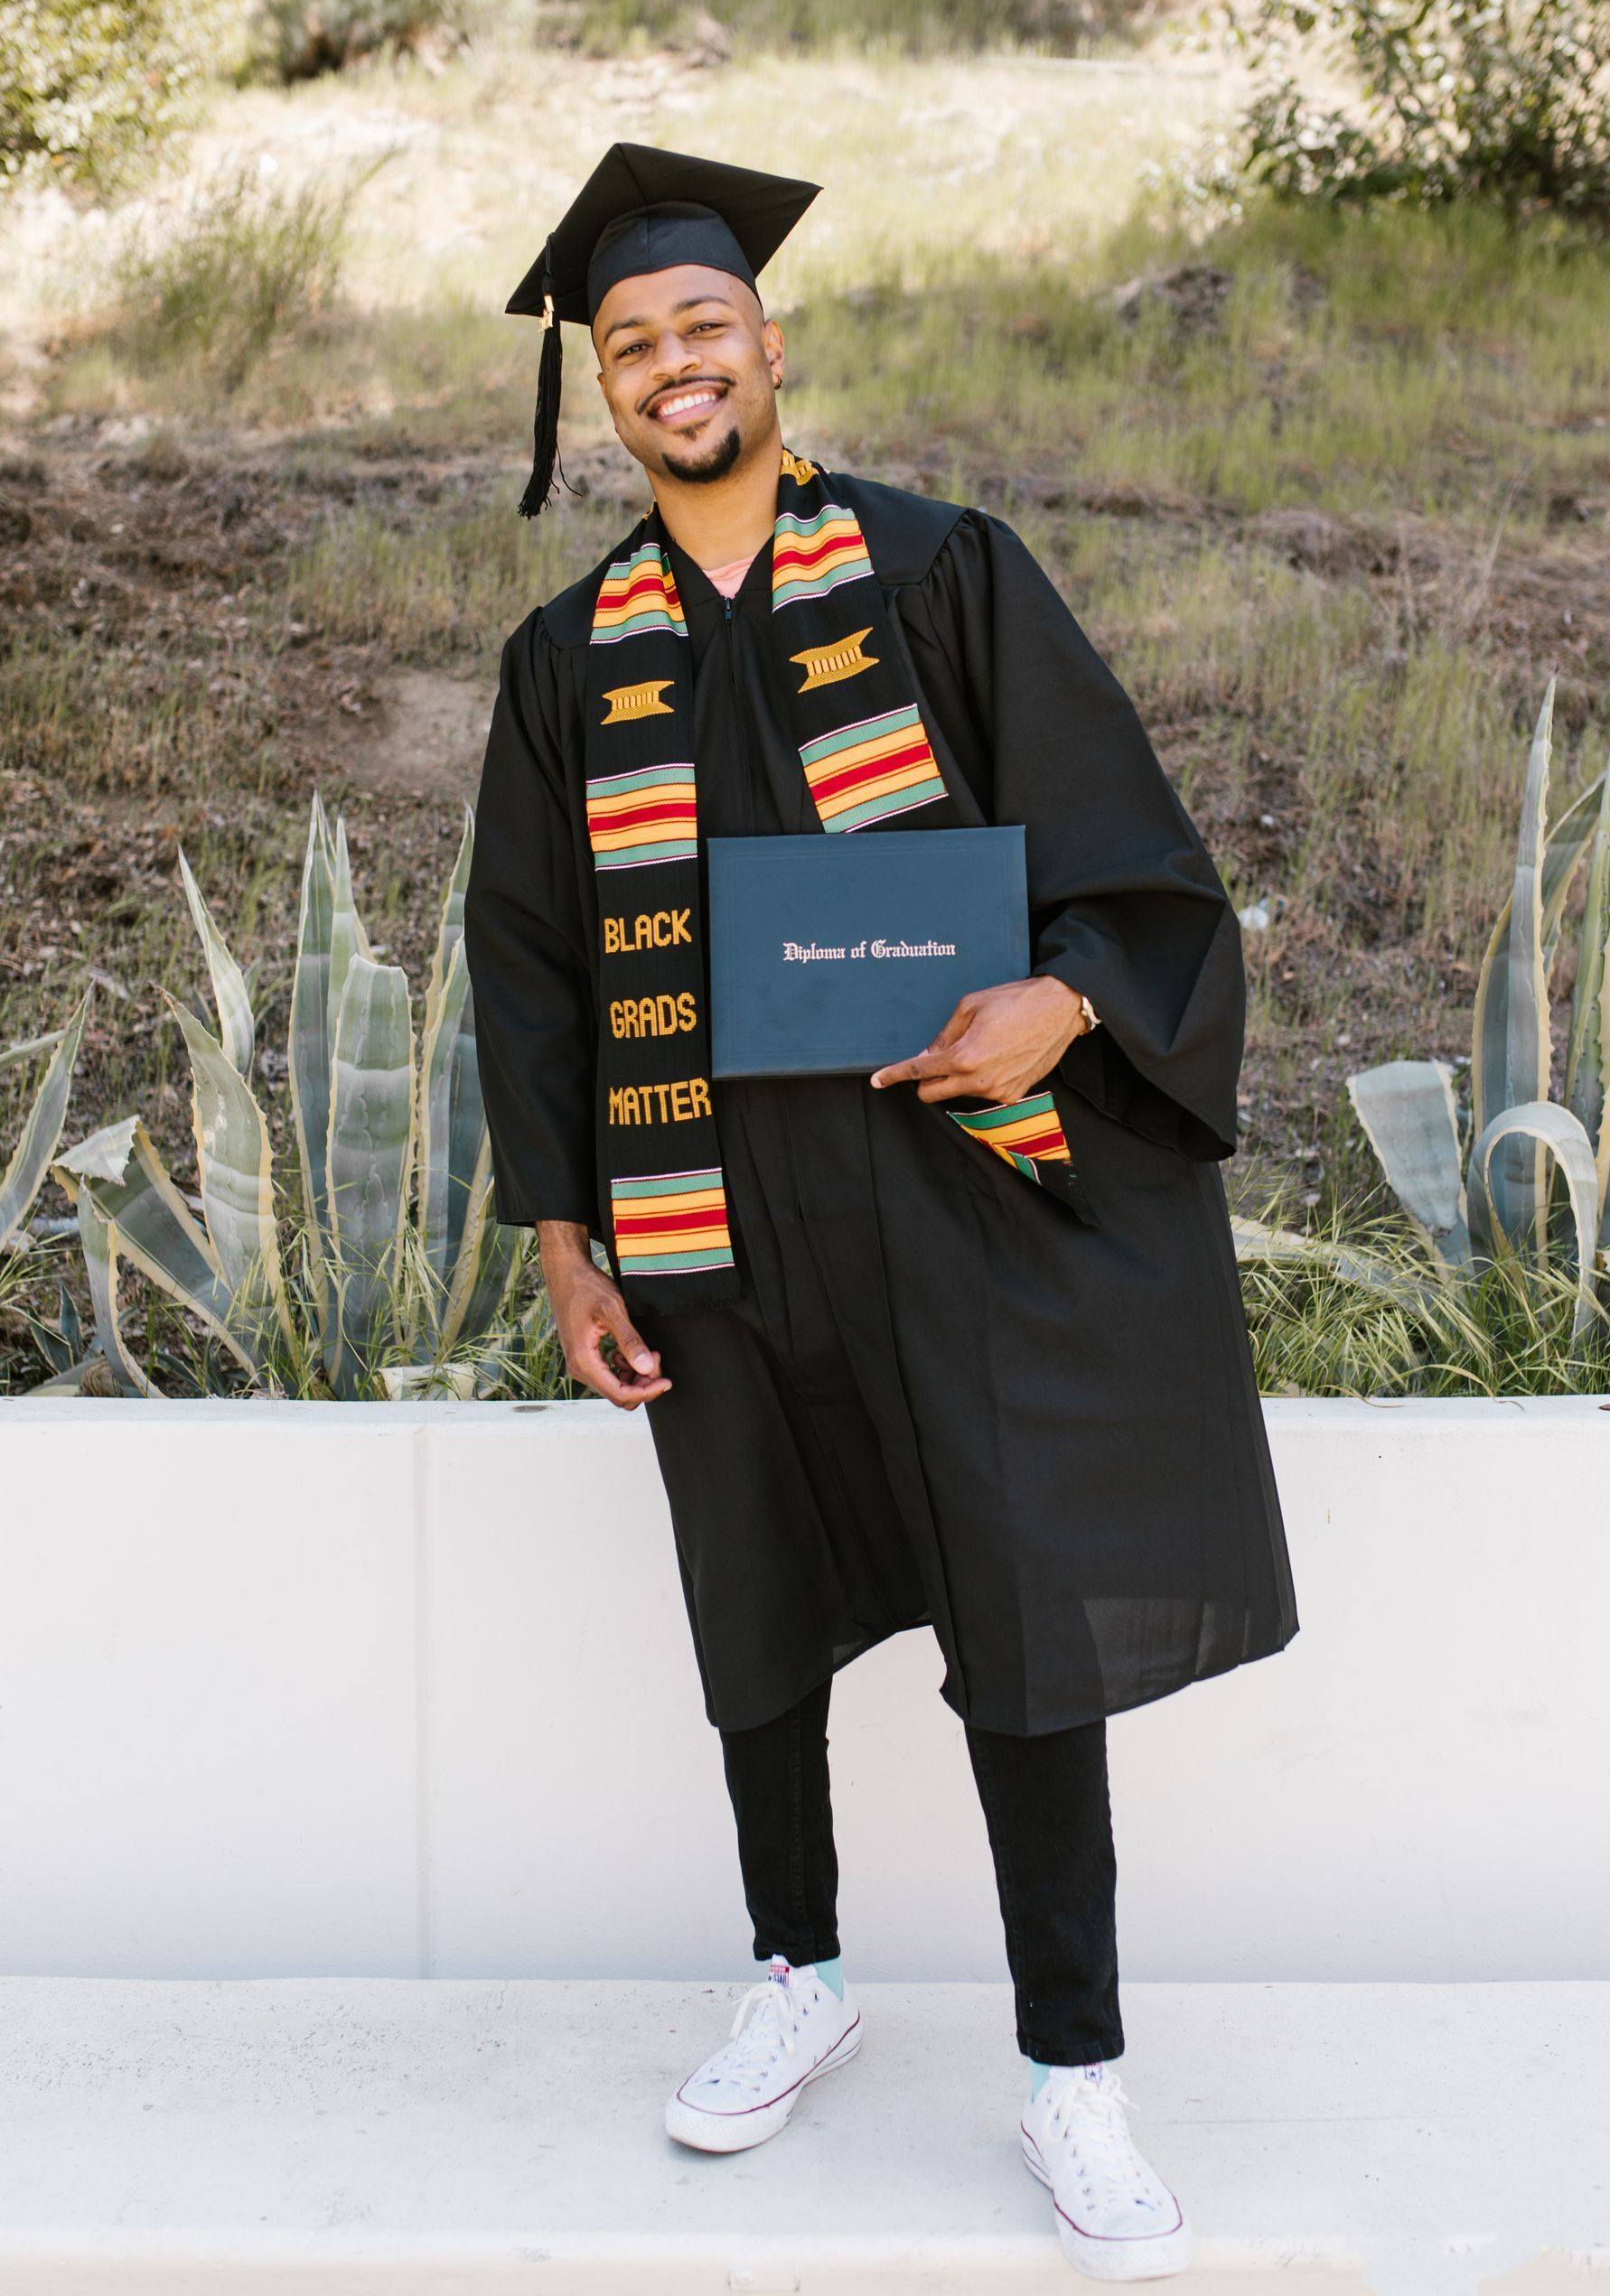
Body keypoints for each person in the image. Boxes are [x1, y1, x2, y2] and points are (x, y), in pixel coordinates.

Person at [467, 142, 1298, 2283]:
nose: (675, 364)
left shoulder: (941, 571)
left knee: (1024, 1631)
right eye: (633, 339)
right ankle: (796, 1973)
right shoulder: (568, 664)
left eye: (704, 325)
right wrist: (566, 1236)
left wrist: (1066, 1002)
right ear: (599, 379)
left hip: (956, 1195)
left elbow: (1137, 863)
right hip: (706, 1202)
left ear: (770, 341)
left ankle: (1074, 2072)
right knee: (756, 1611)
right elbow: (531, 960)